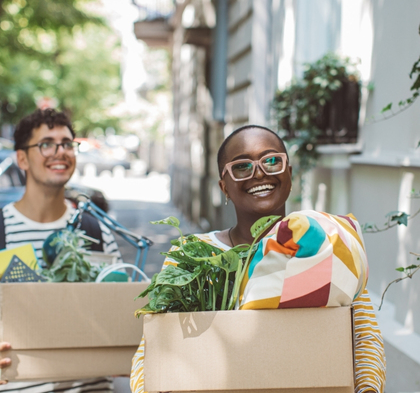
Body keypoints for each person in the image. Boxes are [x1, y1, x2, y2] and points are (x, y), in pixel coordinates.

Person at [130, 124, 386, 393]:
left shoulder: (323, 242)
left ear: (289, 172)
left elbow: (364, 336)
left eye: (272, 160)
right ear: (224, 186)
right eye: (242, 166)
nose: (260, 172)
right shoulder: (192, 254)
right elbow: (154, 347)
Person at [0, 108, 120, 392]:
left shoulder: (96, 231)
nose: (60, 151)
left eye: (67, 143)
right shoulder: (0, 230)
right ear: (21, 158)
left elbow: (116, 312)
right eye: (46, 144)